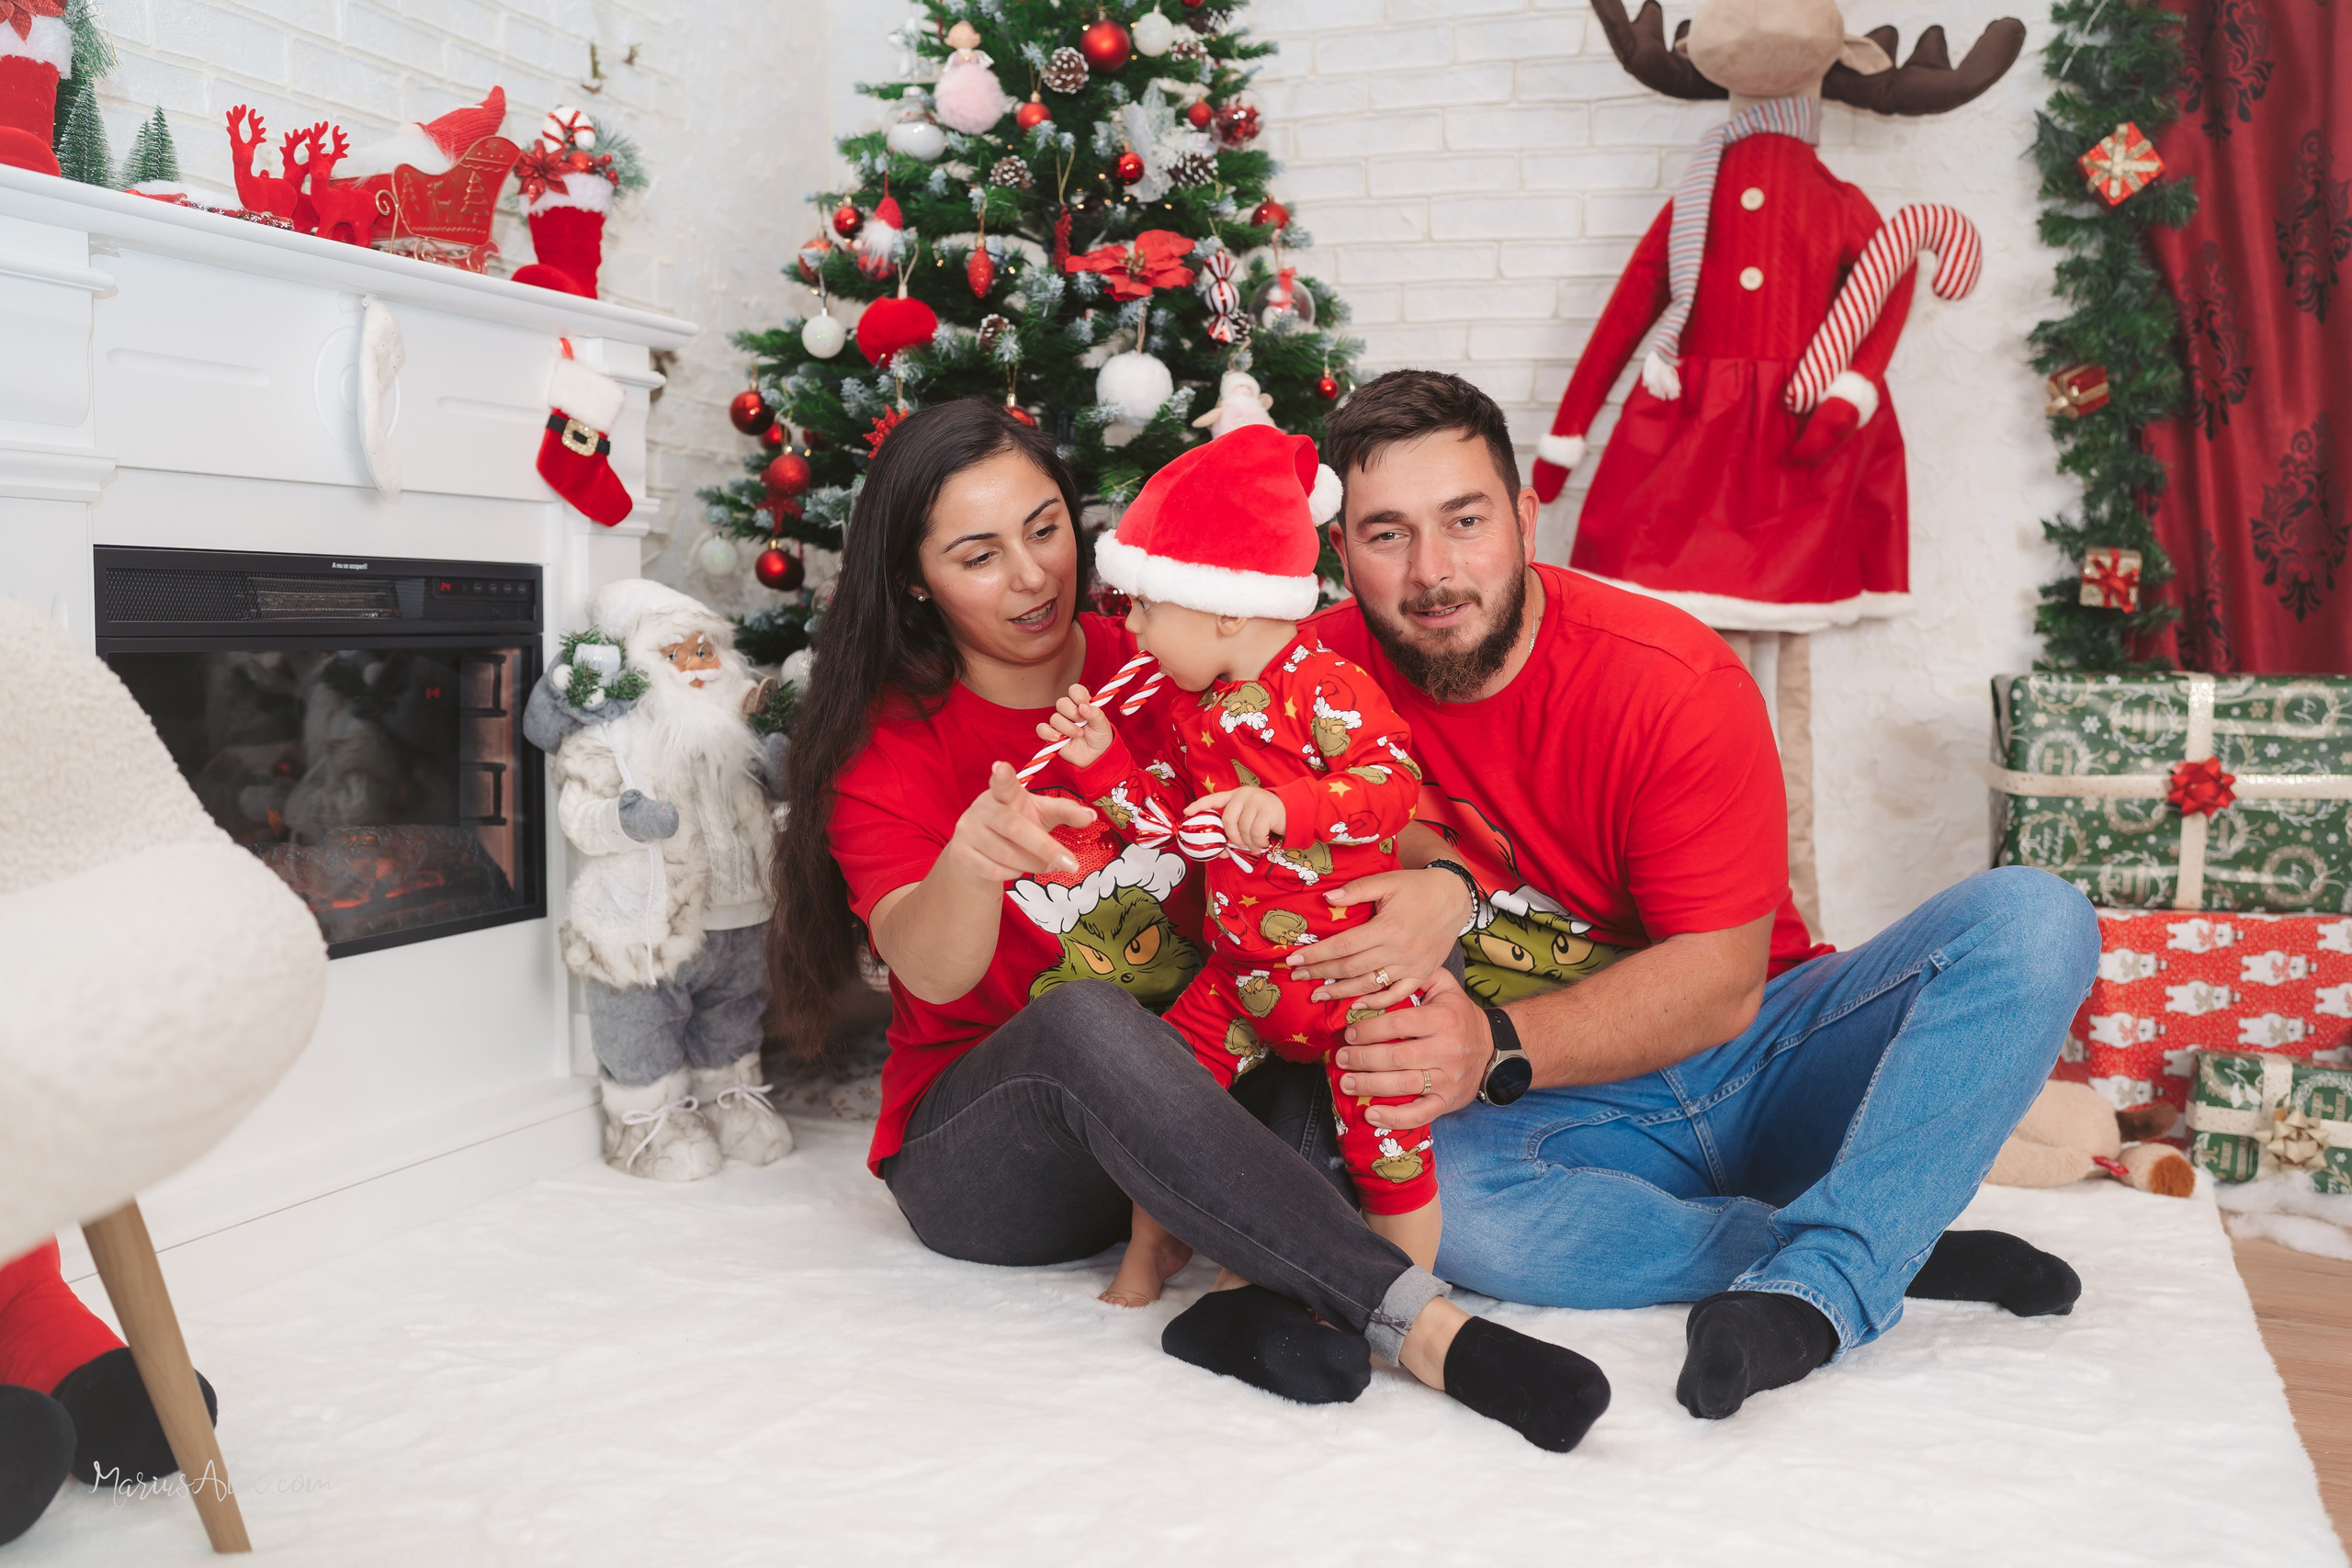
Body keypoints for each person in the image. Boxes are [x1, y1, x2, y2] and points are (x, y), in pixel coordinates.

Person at [767, 399, 1610, 1451]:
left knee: (1315, 1014)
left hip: (1199, 1124)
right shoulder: (890, 744)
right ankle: (1424, 1326)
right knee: (1088, 1021)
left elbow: (1359, 778)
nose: (1033, 576)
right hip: (997, 1164)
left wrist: (1443, 890)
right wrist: (972, 860)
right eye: (978, 555)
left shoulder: (1180, 649)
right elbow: (929, 974)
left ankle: (1254, 1308)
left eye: (1044, 529)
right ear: (913, 579)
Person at [1271, 369, 2100, 1420]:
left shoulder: (1668, 679)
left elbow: (1719, 987)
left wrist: (1488, 1043)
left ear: (1525, 519)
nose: (1433, 572)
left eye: (1465, 521)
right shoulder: (1297, 690)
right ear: (1338, 552)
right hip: (1560, 1104)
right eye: (1386, 535)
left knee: (2035, 919)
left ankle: (1822, 1284)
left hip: (1765, 1057)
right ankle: (1871, 1241)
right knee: (1459, 1217)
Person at [1033, 425, 1444, 1307]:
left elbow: (1393, 785)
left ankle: (1407, 1296)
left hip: (1353, 984)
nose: (1128, 626)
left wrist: (1287, 807)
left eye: (1144, 605)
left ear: (1223, 605)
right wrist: (1103, 759)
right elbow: (1171, 834)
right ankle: (1149, 1255)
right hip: (1240, 978)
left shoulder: (1323, 687)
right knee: (1164, 1107)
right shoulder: (1195, 710)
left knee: (1391, 1146)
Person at [545, 579, 795, 1180]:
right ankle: (647, 1123)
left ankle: (728, 1099)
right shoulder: (614, 737)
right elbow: (580, 815)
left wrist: (782, 774)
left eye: (704, 652)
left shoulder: (735, 731)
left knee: (732, 1016)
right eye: (673, 654)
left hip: (739, 917)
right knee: (641, 1025)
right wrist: (625, 820)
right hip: (648, 925)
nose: (695, 667)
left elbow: (768, 805)